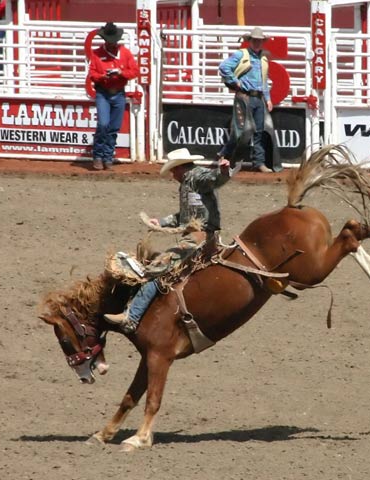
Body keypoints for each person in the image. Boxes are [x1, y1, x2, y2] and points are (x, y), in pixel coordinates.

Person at [104, 148, 232, 333]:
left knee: (158, 266)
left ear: (180, 168)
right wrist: (162, 222)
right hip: (200, 235)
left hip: (199, 237)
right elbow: (186, 216)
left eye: (173, 171)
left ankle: (131, 317)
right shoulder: (188, 183)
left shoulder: (196, 176)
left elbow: (214, 179)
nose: (172, 175)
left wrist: (223, 172)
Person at [216, 27, 281, 173]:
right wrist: (235, 82)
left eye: (259, 40)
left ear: (262, 42)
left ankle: (258, 162)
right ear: (250, 41)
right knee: (240, 131)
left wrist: (268, 99)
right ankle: (225, 156)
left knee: (259, 130)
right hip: (244, 96)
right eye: (255, 40)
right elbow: (224, 67)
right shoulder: (241, 54)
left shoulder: (263, 58)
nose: (257, 43)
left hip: (257, 97)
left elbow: (263, 81)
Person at [87, 22, 137, 170]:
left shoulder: (125, 53)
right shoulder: (97, 54)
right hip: (103, 92)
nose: (112, 43)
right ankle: (98, 156)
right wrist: (103, 76)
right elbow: (93, 74)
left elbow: (134, 71)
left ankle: (107, 157)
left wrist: (121, 73)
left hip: (118, 93)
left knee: (113, 127)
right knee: (103, 124)